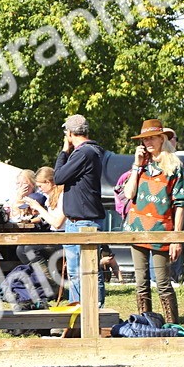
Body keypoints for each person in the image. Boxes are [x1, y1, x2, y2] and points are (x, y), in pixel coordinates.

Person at [121, 120, 184, 323]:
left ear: (162, 139)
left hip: (162, 229)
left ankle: (172, 325)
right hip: (137, 228)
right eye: (145, 139)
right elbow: (129, 193)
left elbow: (180, 205)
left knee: (162, 281)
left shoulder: (174, 167)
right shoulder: (141, 165)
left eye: (152, 137)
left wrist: (176, 238)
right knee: (141, 282)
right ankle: (146, 323)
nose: (148, 142)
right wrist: (136, 165)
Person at [54, 114, 106, 304]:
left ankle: (93, 313)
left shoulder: (84, 153)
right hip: (78, 220)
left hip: (84, 221)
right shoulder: (90, 152)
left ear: (69, 133)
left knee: (89, 271)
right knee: (77, 272)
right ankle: (80, 314)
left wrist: (63, 151)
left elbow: (58, 177)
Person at [20, 166, 66, 281]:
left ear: (48, 182)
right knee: (21, 249)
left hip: (64, 238)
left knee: (30, 249)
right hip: (55, 236)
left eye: (40, 186)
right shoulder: (51, 197)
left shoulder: (63, 196)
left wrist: (38, 207)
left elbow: (57, 224)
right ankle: (38, 280)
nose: (40, 190)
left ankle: (50, 283)